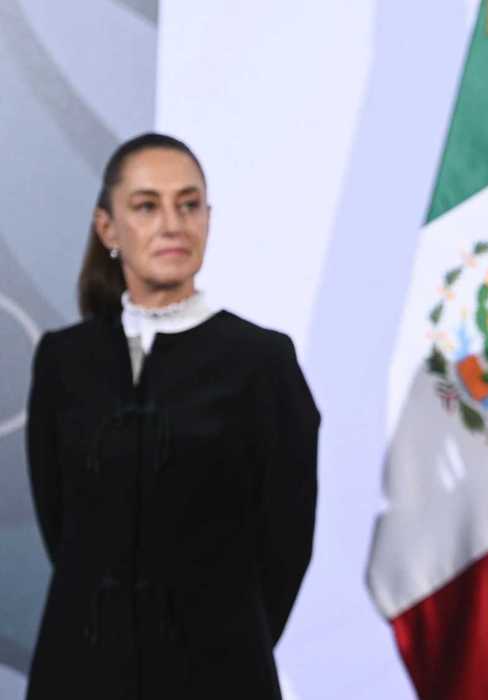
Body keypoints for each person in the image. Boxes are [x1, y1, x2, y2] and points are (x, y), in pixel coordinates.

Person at [25, 133, 319, 699]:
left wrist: (227, 637)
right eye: (146, 205)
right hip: (79, 669)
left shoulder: (262, 360)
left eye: (189, 204)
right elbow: (61, 524)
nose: (172, 223)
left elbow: (286, 538)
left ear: (209, 219)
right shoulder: (64, 361)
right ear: (108, 228)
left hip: (219, 672)